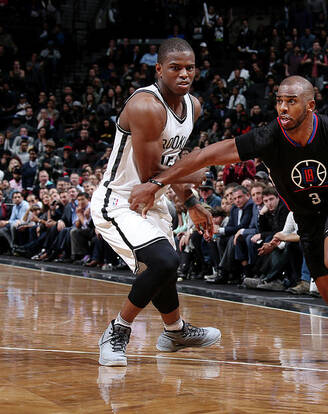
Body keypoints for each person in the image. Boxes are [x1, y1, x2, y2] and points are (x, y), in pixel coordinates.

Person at [128, 75, 328, 363]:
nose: (283, 107)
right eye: (279, 100)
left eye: (291, 101)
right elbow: (206, 156)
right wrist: (157, 182)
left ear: (310, 105)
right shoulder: (268, 137)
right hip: (305, 220)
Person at [90, 38, 221, 367]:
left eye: (189, 68)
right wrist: (192, 176)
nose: (184, 74)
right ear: (159, 69)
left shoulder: (194, 106)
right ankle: (118, 330)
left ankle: (175, 332)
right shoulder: (146, 105)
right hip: (119, 200)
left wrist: (190, 202)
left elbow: (172, 163)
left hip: (155, 201)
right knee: (162, 262)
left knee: (165, 268)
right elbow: (150, 172)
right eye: (175, 68)